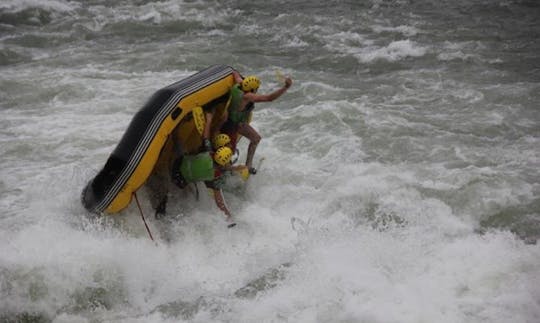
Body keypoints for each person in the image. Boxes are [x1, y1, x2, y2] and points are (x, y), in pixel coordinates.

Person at [219, 70, 293, 173]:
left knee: (249, 141)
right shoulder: (247, 96)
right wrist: (285, 87)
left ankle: (240, 166)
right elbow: (269, 98)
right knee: (255, 139)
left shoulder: (238, 85)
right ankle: (243, 167)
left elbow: (235, 74)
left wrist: (236, 72)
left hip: (228, 122)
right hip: (235, 125)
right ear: (252, 89)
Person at [171, 144, 240, 227]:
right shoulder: (216, 176)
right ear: (224, 164)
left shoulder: (207, 152)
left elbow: (193, 151)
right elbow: (219, 201)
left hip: (178, 162)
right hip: (179, 180)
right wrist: (228, 215)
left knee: (186, 156)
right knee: (196, 184)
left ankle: (174, 137)